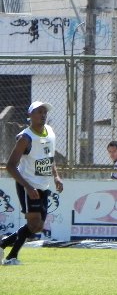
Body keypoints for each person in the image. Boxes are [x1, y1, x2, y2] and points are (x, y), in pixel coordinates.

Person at [0, 101, 64, 265]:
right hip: (27, 184)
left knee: (38, 226)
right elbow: (10, 166)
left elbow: (49, 158)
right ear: (30, 115)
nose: (43, 115)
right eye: (38, 112)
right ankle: (11, 257)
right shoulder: (25, 138)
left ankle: (4, 244)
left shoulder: (49, 131)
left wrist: (56, 176)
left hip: (43, 185)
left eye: (44, 112)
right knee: (34, 223)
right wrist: (28, 187)